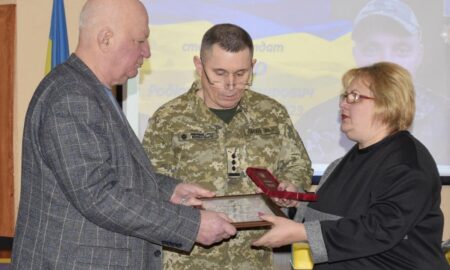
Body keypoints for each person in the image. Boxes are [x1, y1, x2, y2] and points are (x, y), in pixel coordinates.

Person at [11, 0, 236, 269]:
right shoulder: (71, 97)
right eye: (140, 41)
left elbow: (115, 174)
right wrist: (191, 225)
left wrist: (169, 190)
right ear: (106, 39)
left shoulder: (90, 91)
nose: (147, 52)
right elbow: (98, 195)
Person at [142, 23, 313, 270]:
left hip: (253, 257)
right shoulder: (168, 118)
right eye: (220, 73)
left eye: (241, 73)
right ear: (199, 66)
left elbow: (297, 163)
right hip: (188, 260)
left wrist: (290, 187)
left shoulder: (271, 113)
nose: (231, 84)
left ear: (253, 66)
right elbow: (150, 183)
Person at [253, 62, 449, 269]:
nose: (343, 104)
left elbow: (379, 229)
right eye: (345, 96)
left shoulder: (408, 163)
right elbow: (333, 215)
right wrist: (293, 203)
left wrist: (302, 233)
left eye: (354, 97)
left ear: (387, 103)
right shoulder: (348, 160)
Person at [297, 0, 450, 165]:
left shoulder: (444, 116)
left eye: (401, 50)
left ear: (419, 55)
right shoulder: (316, 122)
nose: (386, 60)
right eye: (372, 49)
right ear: (355, 55)